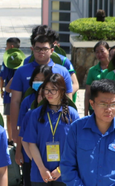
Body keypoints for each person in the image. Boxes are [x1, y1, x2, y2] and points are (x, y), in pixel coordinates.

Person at [8, 34, 73, 169]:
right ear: (32, 49)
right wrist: (14, 130)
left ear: (52, 49)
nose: (41, 52)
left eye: (44, 49)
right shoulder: (21, 71)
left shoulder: (62, 71)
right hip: (30, 130)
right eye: (37, 49)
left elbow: (68, 101)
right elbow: (15, 102)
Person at [17, 65, 52, 186]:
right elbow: (22, 131)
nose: (39, 83)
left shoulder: (57, 105)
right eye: (36, 79)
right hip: (29, 156)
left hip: (51, 159)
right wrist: (19, 151)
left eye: (43, 80)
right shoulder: (28, 101)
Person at [0, 37, 24, 141]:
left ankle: (10, 138)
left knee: (9, 116)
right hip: (21, 92)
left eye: (6, 46)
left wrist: (1, 89)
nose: (5, 48)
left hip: (9, 92)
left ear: (11, 46)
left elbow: (2, 76)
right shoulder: (23, 60)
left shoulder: (6, 61)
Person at [84, 41, 110, 115]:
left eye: (102, 51)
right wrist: (86, 112)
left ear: (109, 50)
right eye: (97, 52)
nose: (100, 54)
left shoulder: (114, 70)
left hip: (109, 107)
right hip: (95, 108)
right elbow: (88, 93)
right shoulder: (92, 70)